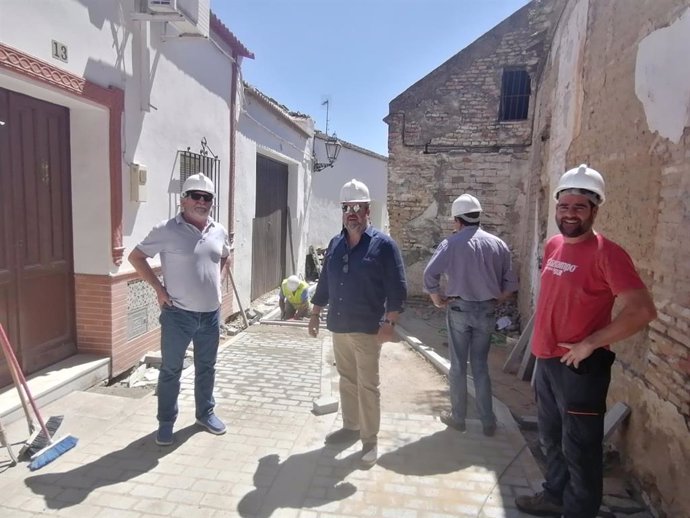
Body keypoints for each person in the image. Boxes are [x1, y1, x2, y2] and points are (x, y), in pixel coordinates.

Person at [515, 165, 656, 518]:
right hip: (546, 362)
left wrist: (590, 342)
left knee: (580, 448)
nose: (570, 213)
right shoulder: (553, 245)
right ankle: (554, 497)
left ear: (595, 209)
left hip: (580, 369)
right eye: (564, 206)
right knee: (550, 439)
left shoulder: (607, 253)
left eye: (580, 206)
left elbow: (642, 310)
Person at [308, 179, 407, 467]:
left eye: (357, 207)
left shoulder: (383, 245)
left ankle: (369, 440)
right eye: (346, 207)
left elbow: (397, 287)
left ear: (367, 211)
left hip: (367, 329)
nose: (351, 213)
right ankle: (350, 427)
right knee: (347, 380)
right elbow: (325, 281)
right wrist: (315, 313)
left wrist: (390, 322)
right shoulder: (336, 243)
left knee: (368, 386)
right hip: (339, 327)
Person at [128, 172, 231, 446]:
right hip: (178, 316)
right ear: (182, 201)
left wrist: (218, 285)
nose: (201, 201)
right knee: (171, 370)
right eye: (195, 196)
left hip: (210, 316)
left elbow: (225, 257)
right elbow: (136, 257)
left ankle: (205, 414)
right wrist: (159, 290)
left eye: (207, 197)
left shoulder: (218, 230)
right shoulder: (166, 230)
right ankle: (165, 423)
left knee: (206, 368)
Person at [423, 193, 518, 437]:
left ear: (457, 220)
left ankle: (459, 418)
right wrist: (494, 299)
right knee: (480, 367)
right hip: (486, 312)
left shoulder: (451, 244)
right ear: (477, 217)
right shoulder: (499, 245)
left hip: (459, 310)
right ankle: (488, 421)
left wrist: (437, 299)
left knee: (457, 366)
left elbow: (429, 274)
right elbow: (510, 286)